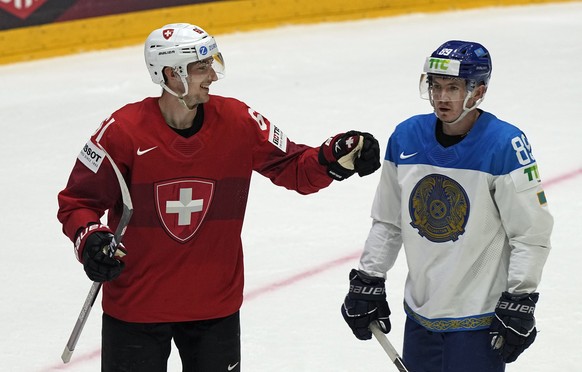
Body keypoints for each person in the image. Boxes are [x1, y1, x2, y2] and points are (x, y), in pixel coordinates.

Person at [57, 23, 381, 371]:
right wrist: (90, 238)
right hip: (138, 308)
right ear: (170, 73)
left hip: (213, 307)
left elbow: (294, 168)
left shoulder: (239, 122)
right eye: (201, 68)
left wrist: (332, 156)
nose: (212, 75)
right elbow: (78, 202)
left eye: (212, 63)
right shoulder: (122, 131)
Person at [340, 40, 553, 372]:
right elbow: (389, 221)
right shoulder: (406, 137)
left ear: (479, 90)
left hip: (478, 322)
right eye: (436, 86)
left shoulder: (504, 144)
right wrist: (370, 276)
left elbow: (530, 233)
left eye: (453, 87)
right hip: (419, 316)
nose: (441, 97)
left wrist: (520, 298)